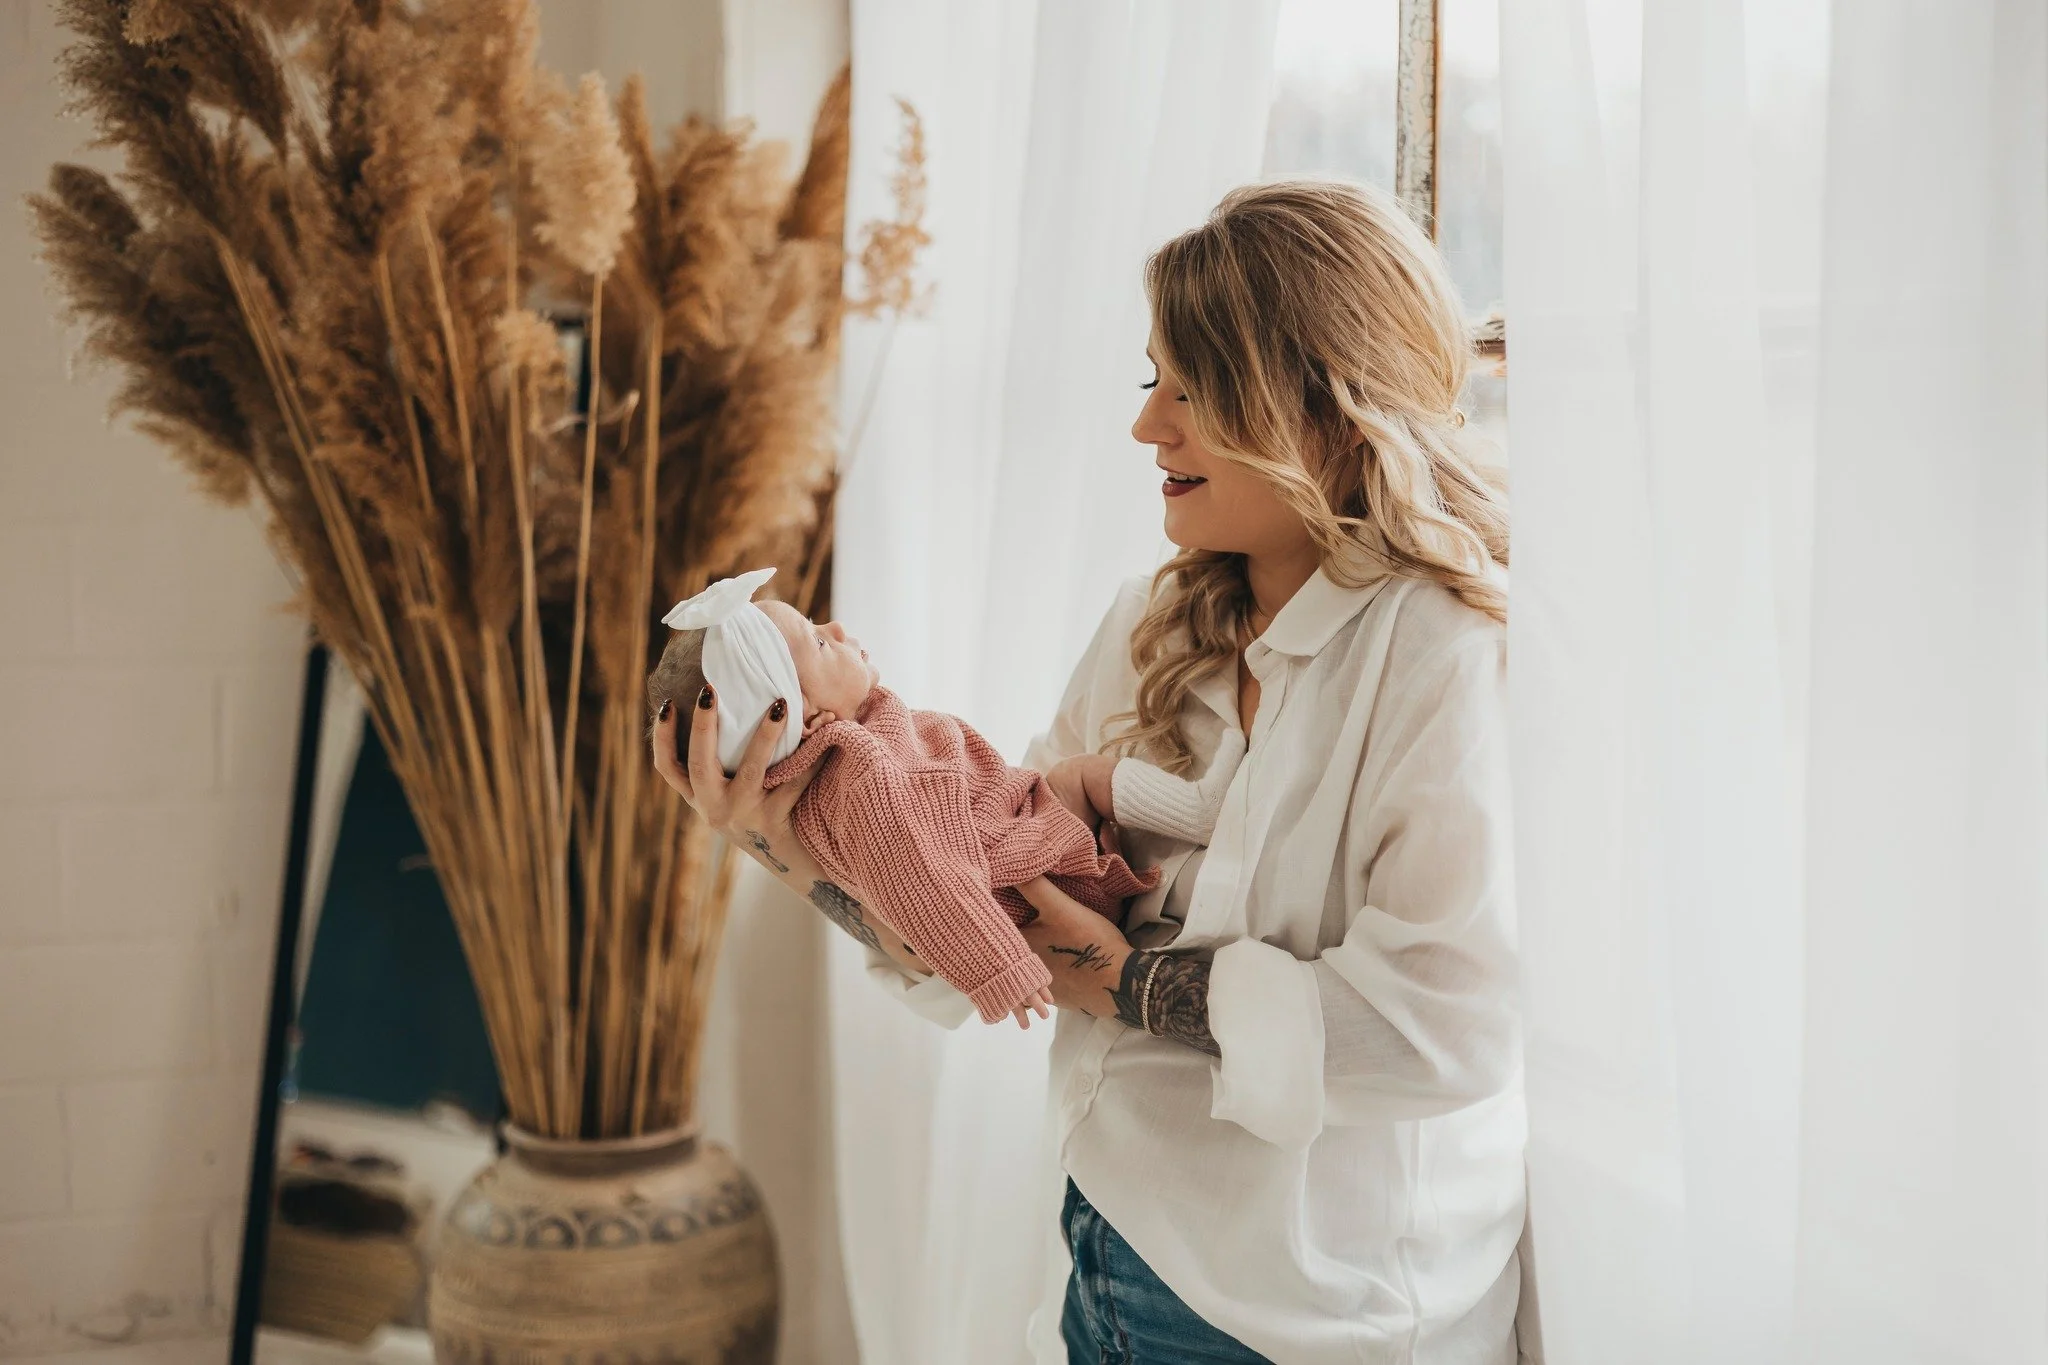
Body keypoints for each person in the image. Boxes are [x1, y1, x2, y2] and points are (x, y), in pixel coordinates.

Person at [651, 177, 1525, 1364]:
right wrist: (781, 840)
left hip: (1316, 1312)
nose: (1146, 427)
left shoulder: (1441, 656)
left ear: (1324, 404)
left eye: (1191, 391)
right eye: (1147, 381)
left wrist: (1115, 979)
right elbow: (974, 928)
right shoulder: (1144, 625)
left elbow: (1441, 1030)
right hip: (1109, 1247)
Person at [646, 567, 1239, 1026]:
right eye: (819, 644)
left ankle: (1200, 810)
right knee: (1084, 775)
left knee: (1073, 778)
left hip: (1016, 839)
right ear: (806, 716)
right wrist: (998, 967)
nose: (838, 631)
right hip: (1025, 869)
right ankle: (1204, 811)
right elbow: (927, 877)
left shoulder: (851, 759)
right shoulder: (861, 776)